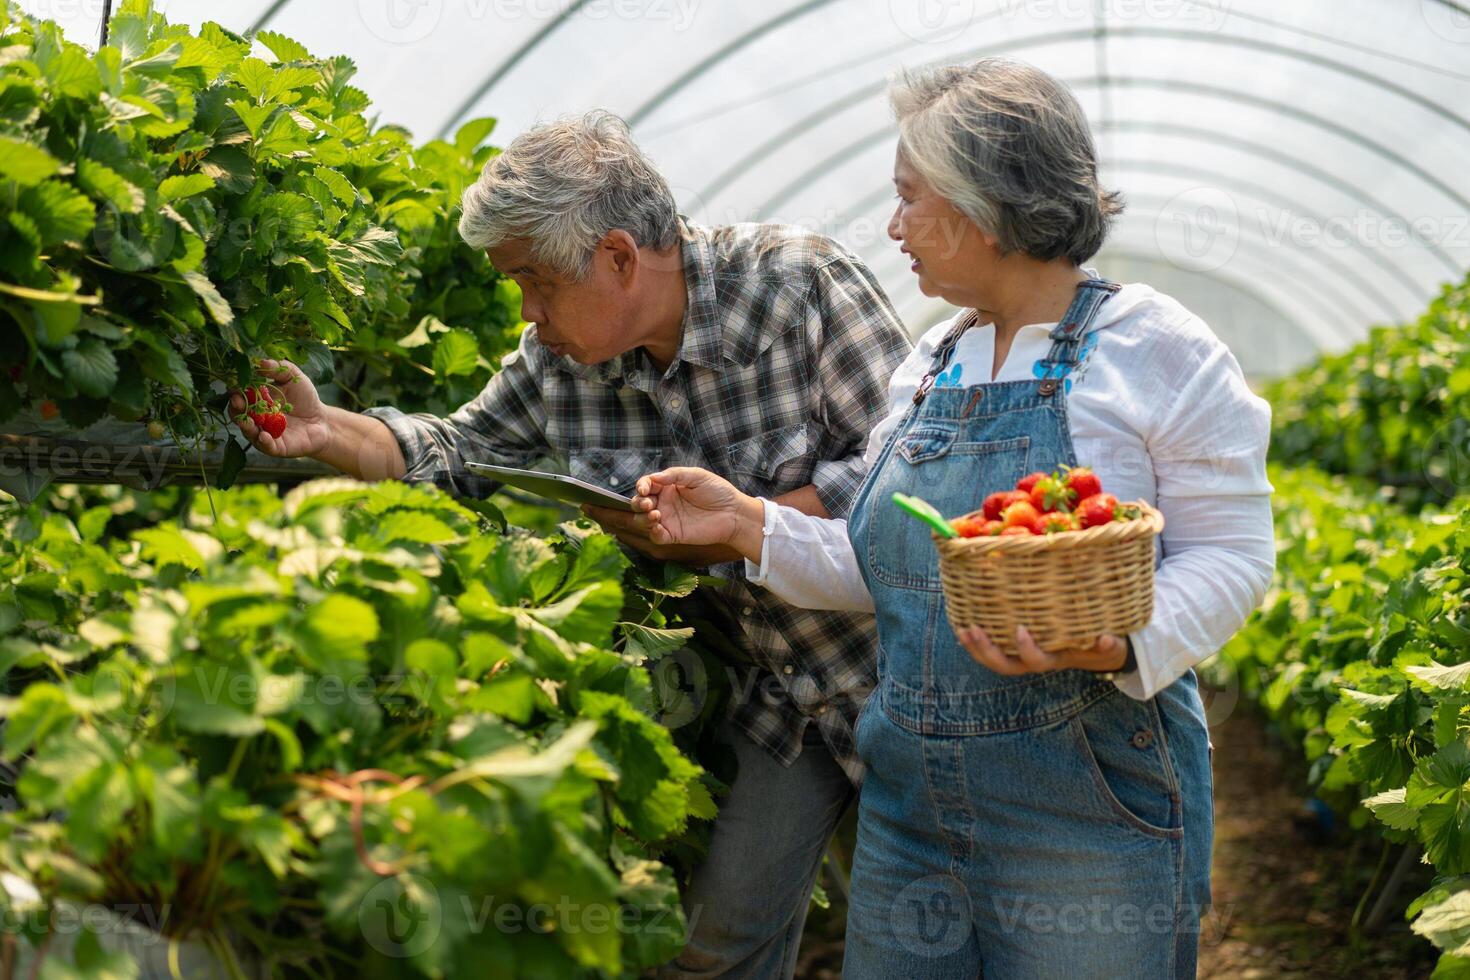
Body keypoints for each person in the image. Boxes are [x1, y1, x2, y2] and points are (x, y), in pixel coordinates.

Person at [626, 59, 1276, 978]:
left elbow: (1236, 554)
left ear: (984, 204)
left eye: (909, 198)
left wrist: (1119, 640)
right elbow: (892, 567)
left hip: (1084, 804)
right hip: (911, 808)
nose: (893, 228)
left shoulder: (1155, 347)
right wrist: (748, 526)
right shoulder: (932, 360)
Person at [226, 110, 912, 979]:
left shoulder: (797, 286)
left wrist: (743, 523)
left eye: (536, 280)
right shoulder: (557, 363)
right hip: (774, 696)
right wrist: (326, 431)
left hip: (894, 668)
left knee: (933, 934)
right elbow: (455, 452)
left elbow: (911, 474)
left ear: (619, 257)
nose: (528, 310)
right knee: (715, 948)